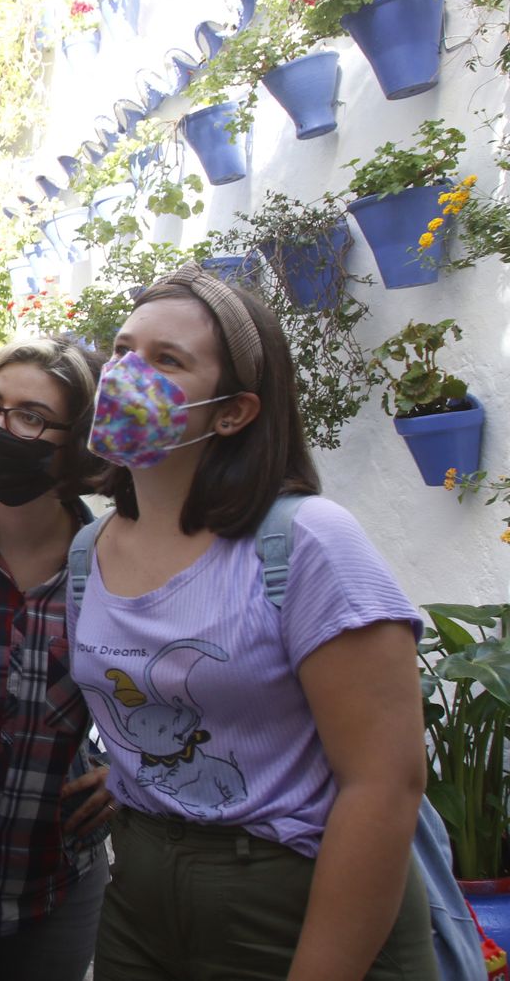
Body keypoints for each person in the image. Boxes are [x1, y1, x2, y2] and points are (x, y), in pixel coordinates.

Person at [69, 265, 436, 980]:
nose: (125, 374)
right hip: (141, 902)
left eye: (167, 361)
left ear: (233, 411)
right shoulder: (90, 549)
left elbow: (384, 786)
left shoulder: (308, 544)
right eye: (122, 350)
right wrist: (133, 771)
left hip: (292, 901)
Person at [0, 336, 115, 981]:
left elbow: (184, 687)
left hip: (53, 885)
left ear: (83, 443)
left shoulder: (118, 568)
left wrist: (136, 773)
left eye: (30, 416)